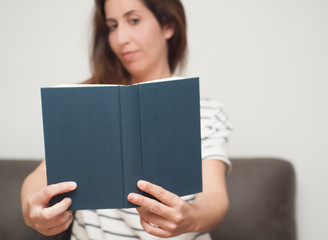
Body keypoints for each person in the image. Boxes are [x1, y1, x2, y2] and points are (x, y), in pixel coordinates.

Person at [21, 0, 232, 239]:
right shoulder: (85, 102)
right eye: (112, 26)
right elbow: (41, 175)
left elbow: (215, 196)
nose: (120, 38)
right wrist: (32, 208)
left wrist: (191, 217)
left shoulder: (206, 110)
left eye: (134, 20)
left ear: (168, 26)